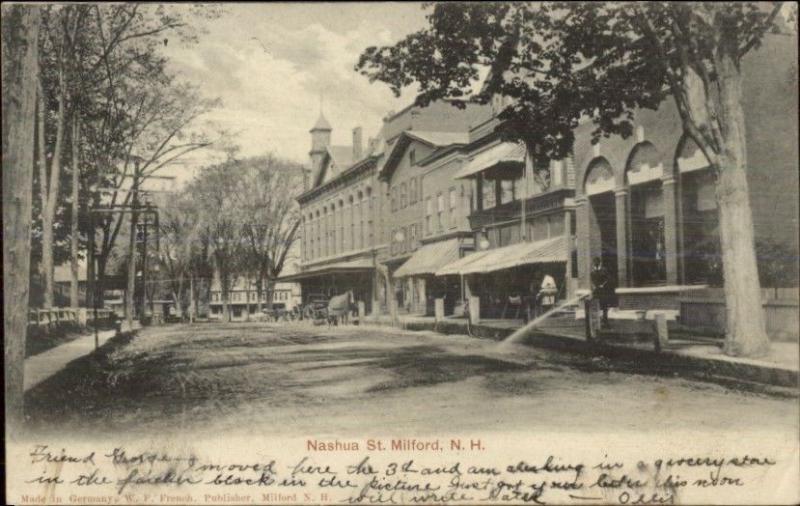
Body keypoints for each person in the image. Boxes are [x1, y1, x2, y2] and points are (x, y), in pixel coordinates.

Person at [590, 258, 613, 328]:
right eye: (594, 263)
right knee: (595, 306)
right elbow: (591, 280)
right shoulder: (592, 271)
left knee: (604, 306)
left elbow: (608, 279)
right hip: (596, 291)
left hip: (603, 291)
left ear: (599, 263)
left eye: (597, 263)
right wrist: (593, 286)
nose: (596, 264)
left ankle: (605, 321)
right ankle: (596, 322)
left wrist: (603, 285)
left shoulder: (604, 270)